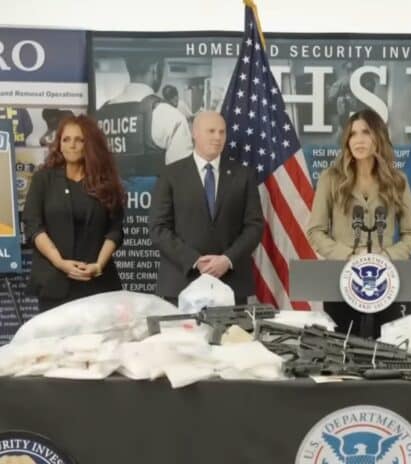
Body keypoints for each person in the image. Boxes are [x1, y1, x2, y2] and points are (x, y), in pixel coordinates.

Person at [307, 108, 411, 337]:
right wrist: (349, 255)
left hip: (386, 280)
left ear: (378, 136)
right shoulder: (331, 178)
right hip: (340, 279)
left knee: (385, 347)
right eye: (352, 134)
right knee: (342, 346)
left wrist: (386, 256)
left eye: (366, 132)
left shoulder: (397, 181)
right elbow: (315, 231)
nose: (358, 140)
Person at [148, 111, 263, 305]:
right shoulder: (170, 175)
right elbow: (158, 228)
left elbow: (254, 226)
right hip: (181, 282)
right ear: (194, 133)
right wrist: (195, 261)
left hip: (231, 283)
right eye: (211, 131)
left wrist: (227, 260)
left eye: (222, 132)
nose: (218, 137)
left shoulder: (244, 175)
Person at [23, 115, 125, 311]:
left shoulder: (105, 183)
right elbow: (33, 226)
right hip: (54, 284)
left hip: (98, 285)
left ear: (90, 145)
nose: (71, 145)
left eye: (79, 140)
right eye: (66, 139)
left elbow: (115, 230)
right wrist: (59, 262)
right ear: (59, 144)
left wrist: (99, 265)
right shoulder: (43, 179)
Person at [94, 55, 192, 177]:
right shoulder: (171, 117)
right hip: (155, 189)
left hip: (111, 189)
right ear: (155, 68)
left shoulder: (100, 114)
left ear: (128, 68)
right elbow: (182, 178)